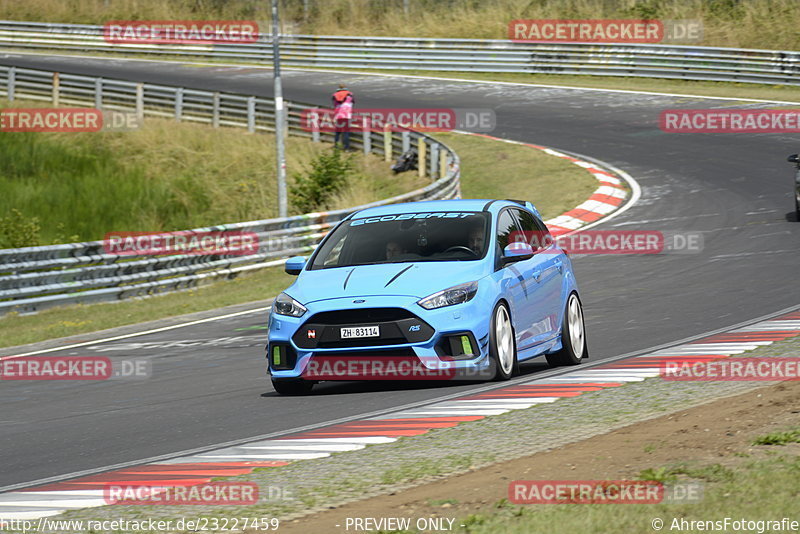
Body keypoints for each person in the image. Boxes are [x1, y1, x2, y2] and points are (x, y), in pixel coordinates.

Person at [332, 83, 354, 151]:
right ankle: (346, 147)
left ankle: (336, 146)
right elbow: (353, 102)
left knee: (338, 132)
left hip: (338, 114)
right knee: (346, 132)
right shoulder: (350, 94)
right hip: (346, 114)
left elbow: (335, 104)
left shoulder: (335, 95)